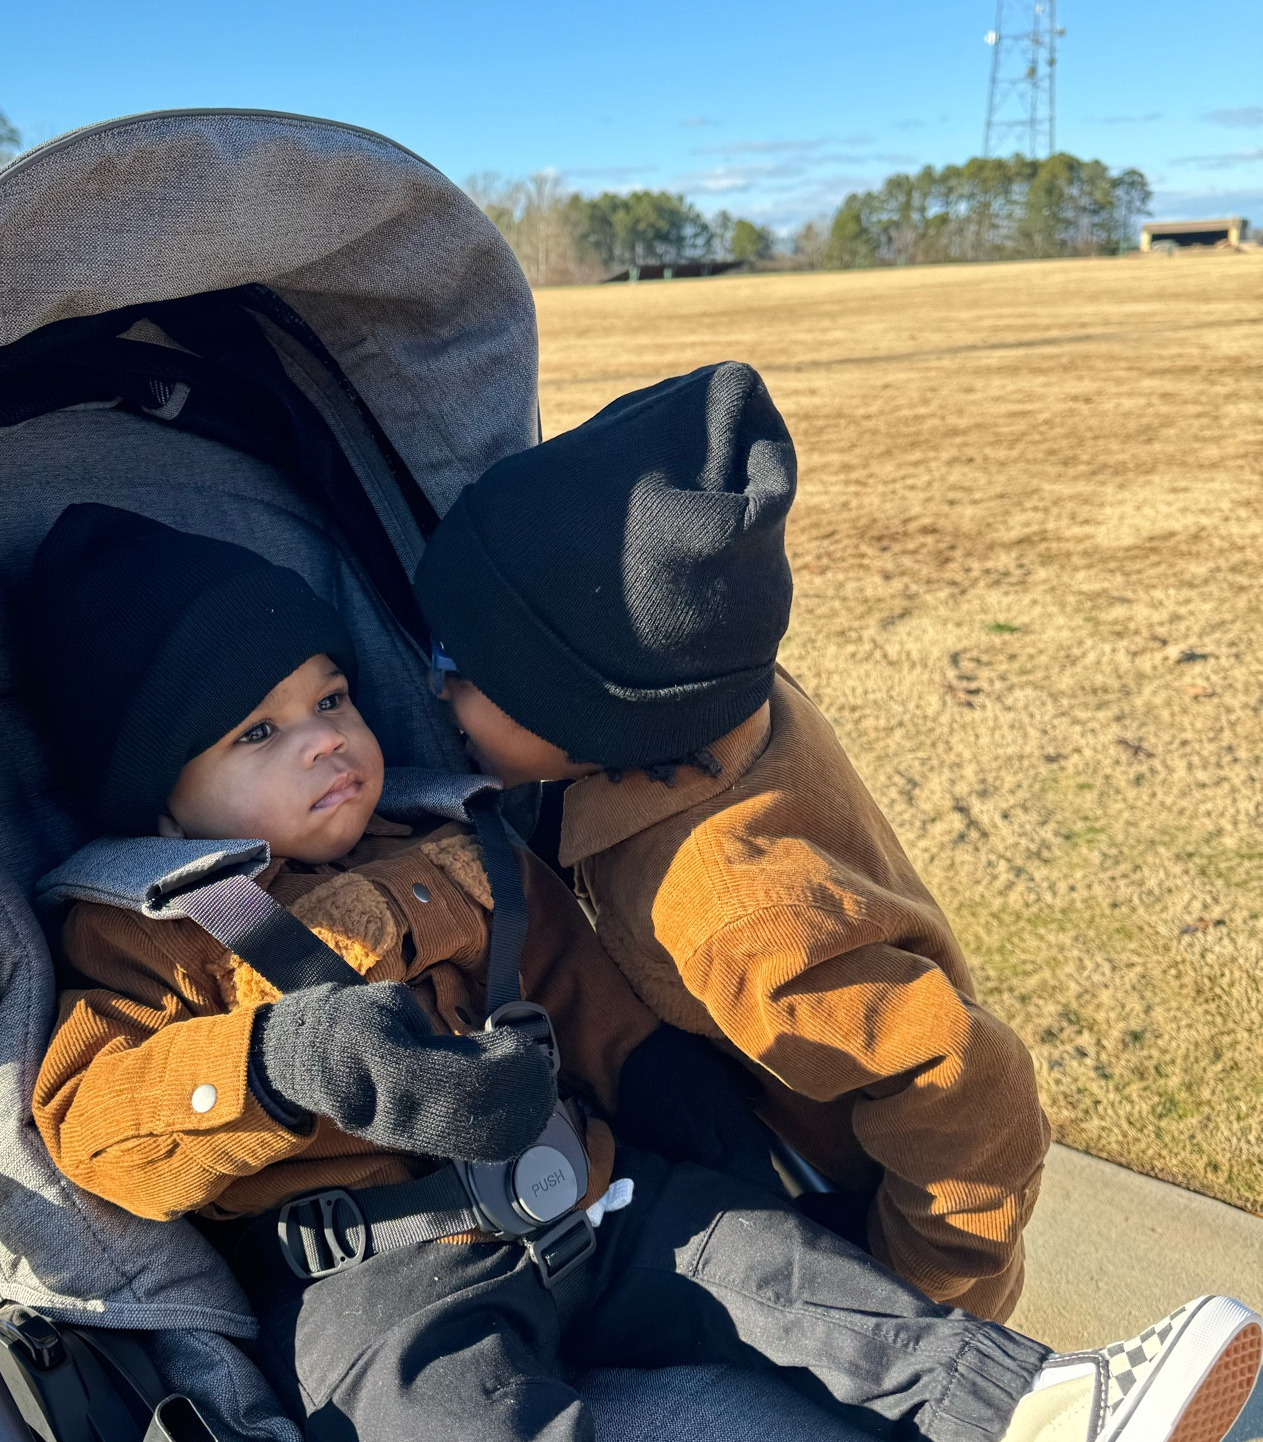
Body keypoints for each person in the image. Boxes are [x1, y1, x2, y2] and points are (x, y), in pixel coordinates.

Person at [28, 503, 1261, 1442]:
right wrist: (284, 1061)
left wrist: (672, 1099)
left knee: (768, 1259)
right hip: (374, 1290)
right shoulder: (149, 937)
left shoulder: (448, 845)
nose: (326, 740)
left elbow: (581, 992)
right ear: (165, 806)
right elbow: (92, 1119)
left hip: (582, 1189)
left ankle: (1023, 1421)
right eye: (260, 729)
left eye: (333, 697)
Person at [415, 360, 1050, 1322]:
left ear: (583, 706)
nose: (436, 691)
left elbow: (975, 1097)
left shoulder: (727, 910)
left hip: (861, 1235)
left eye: (458, 667)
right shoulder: (709, 707)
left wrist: (912, 1296)